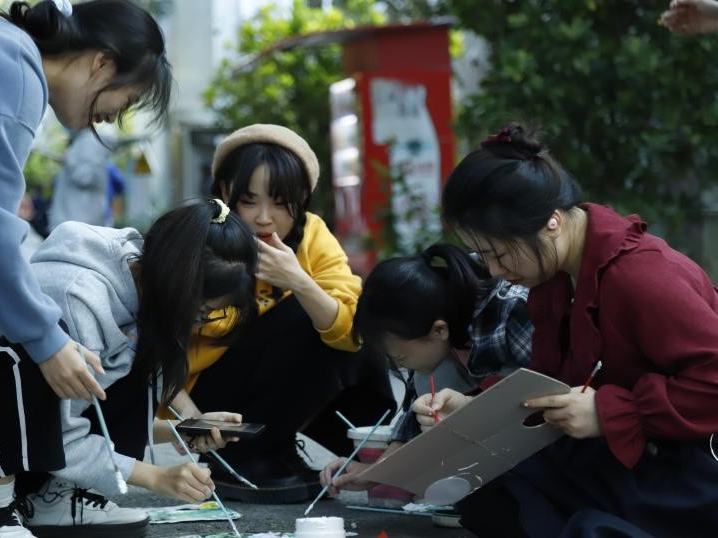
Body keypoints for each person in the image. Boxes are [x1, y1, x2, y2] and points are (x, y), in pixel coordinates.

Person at [0, 1, 171, 536]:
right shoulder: (11, 67)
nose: (114, 116)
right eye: (126, 100)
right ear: (101, 63)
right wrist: (46, 340)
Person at [419, 123, 718, 537]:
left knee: (582, 526)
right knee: (485, 491)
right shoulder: (555, 275)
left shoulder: (641, 276)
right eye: (484, 256)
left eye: (500, 253)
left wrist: (612, 413)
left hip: (687, 472)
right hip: (622, 459)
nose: (494, 270)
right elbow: (550, 383)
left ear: (552, 222)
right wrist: (473, 408)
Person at [0, 199, 257, 538]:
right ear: (177, 283)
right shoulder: (75, 296)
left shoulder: (144, 289)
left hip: (13, 439)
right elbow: (61, 432)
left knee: (144, 354)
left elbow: (70, 418)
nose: (197, 323)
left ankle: (53, 497)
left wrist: (181, 430)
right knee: (43, 347)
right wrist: (155, 477)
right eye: (201, 312)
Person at [175, 124, 395, 504]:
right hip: (206, 396)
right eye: (249, 201)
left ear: (302, 198)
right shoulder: (199, 238)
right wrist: (191, 420)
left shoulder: (312, 235)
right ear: (225, 192)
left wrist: (298, 280)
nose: (264, 218)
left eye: (280, 202)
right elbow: (154, 340)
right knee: (301, 315)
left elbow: (350, 332)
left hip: (272, 384)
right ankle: (243, 456)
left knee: (351, 321)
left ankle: (351, 451)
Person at [320, 244, 531, 497]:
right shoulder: (427, 323)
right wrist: (374, 472)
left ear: (439, 330)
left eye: (400, 357)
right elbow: (415, 418)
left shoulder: (508, 310)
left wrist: (472, 408)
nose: (400, 366)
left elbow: (544, 384)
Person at [48, 127, 117, 232]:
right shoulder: (85, 141)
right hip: (77, 222)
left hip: (77, 223)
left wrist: (68, 160)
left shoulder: (88, 141)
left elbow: (87, 177)